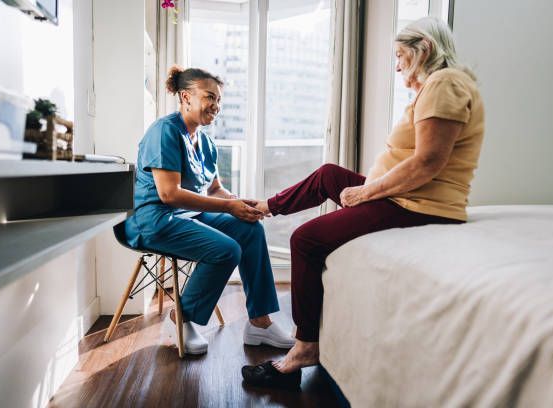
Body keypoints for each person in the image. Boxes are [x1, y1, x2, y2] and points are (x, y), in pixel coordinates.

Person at [242, 16, 485, 389]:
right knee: (328, 174)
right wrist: (367, 186)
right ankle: (267, 206)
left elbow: (427, 163)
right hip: (405, 195)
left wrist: (366, 193)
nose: (398, 64)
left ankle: (305, 346)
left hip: (417, 204)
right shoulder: (439, 85)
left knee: (305, 240)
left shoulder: (445, 83)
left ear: (426, 49)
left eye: (402, 56)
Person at [124, 66, 295, 354]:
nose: (215, 106)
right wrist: (229, 206)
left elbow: (214, 189)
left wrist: (241, 204)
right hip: (154, 221)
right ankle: (181, 317)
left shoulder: (205, 142)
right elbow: (168, 194)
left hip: (188, 217)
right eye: (209, 97)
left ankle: (260, 323)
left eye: (218, 100)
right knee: (226, 250)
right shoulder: (164, 131)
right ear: (185, 97)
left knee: (250, 230)